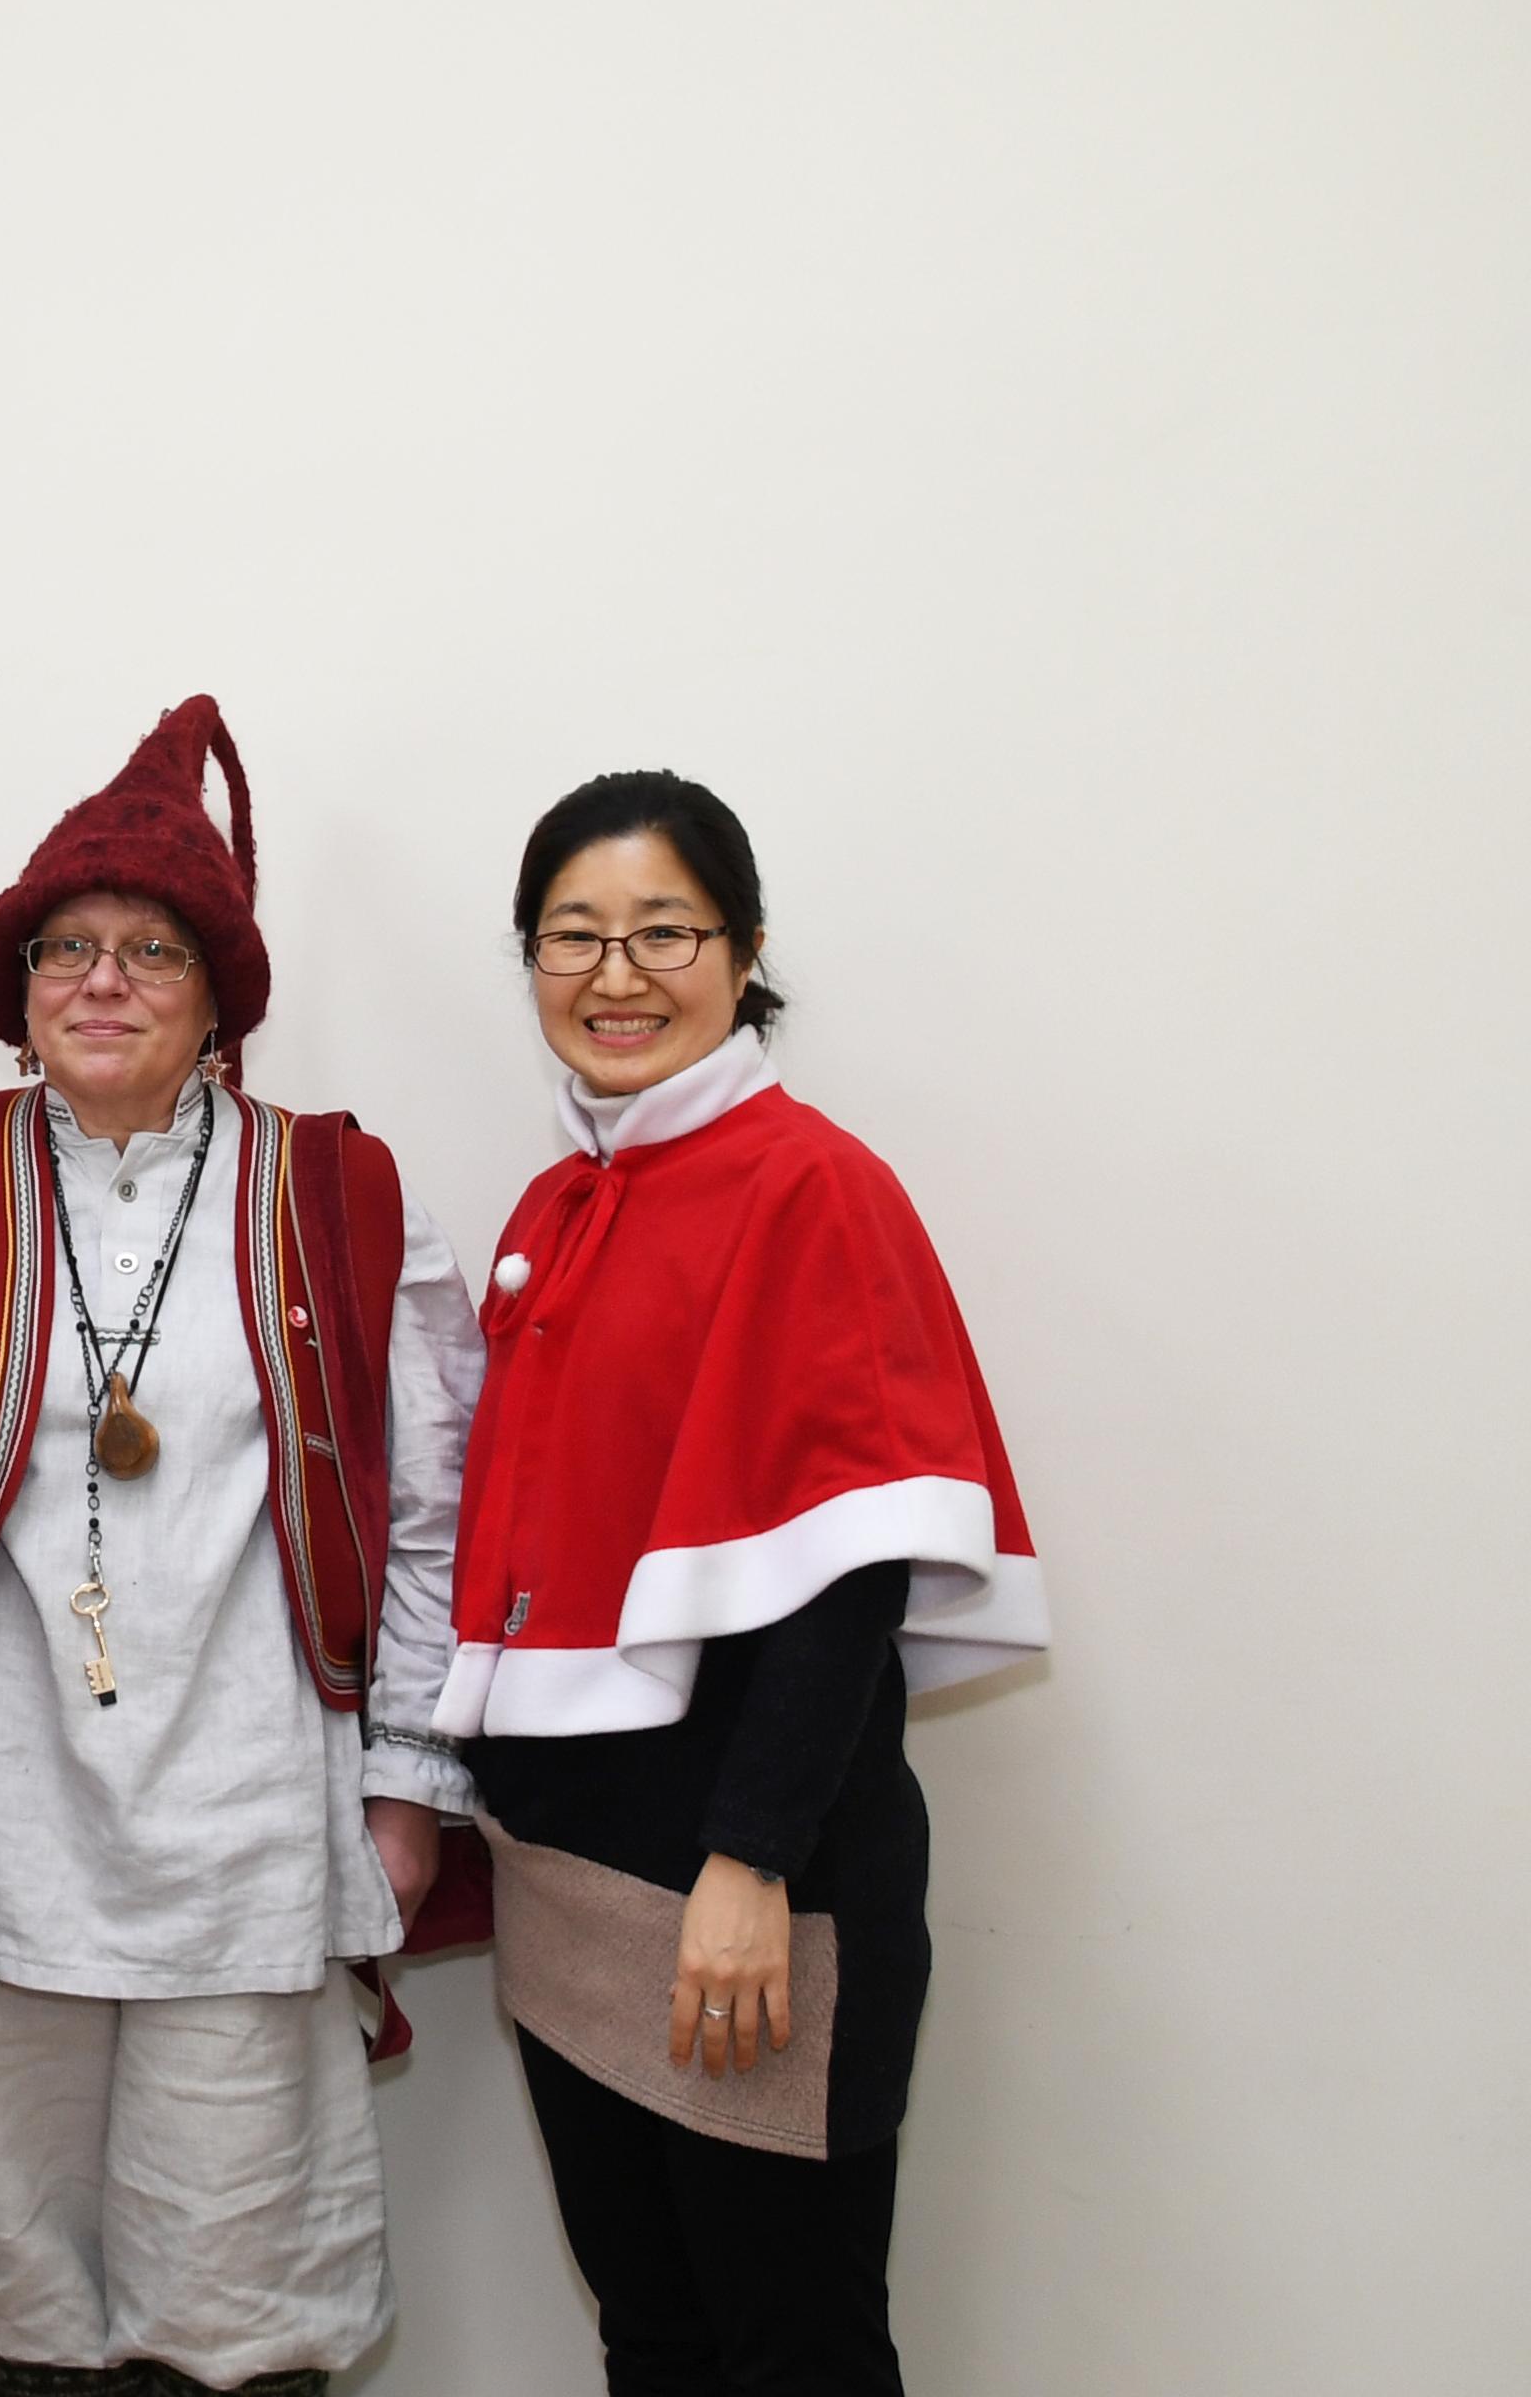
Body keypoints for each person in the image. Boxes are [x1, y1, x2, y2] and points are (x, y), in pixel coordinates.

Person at [0, 697, 489, 2397]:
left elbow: (433, 1522)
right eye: (66, 949)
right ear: (18, 998)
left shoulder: (341, 1196)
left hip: (249, 1839)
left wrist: (404, 1792)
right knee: (16, 2291)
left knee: (235, 2314)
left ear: (217, 996)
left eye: (149, 950)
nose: (101, 980)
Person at [436, 770, 1050, 2394]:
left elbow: (849, 1573)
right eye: (571, 936)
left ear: (746, 946)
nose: (615, 975)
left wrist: (748, 1864)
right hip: (576, 1882)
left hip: (748, 1898)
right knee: (654, 2334)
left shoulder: (809, 1186)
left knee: (798, 2352)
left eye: (662, 932)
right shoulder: (564, 1203)